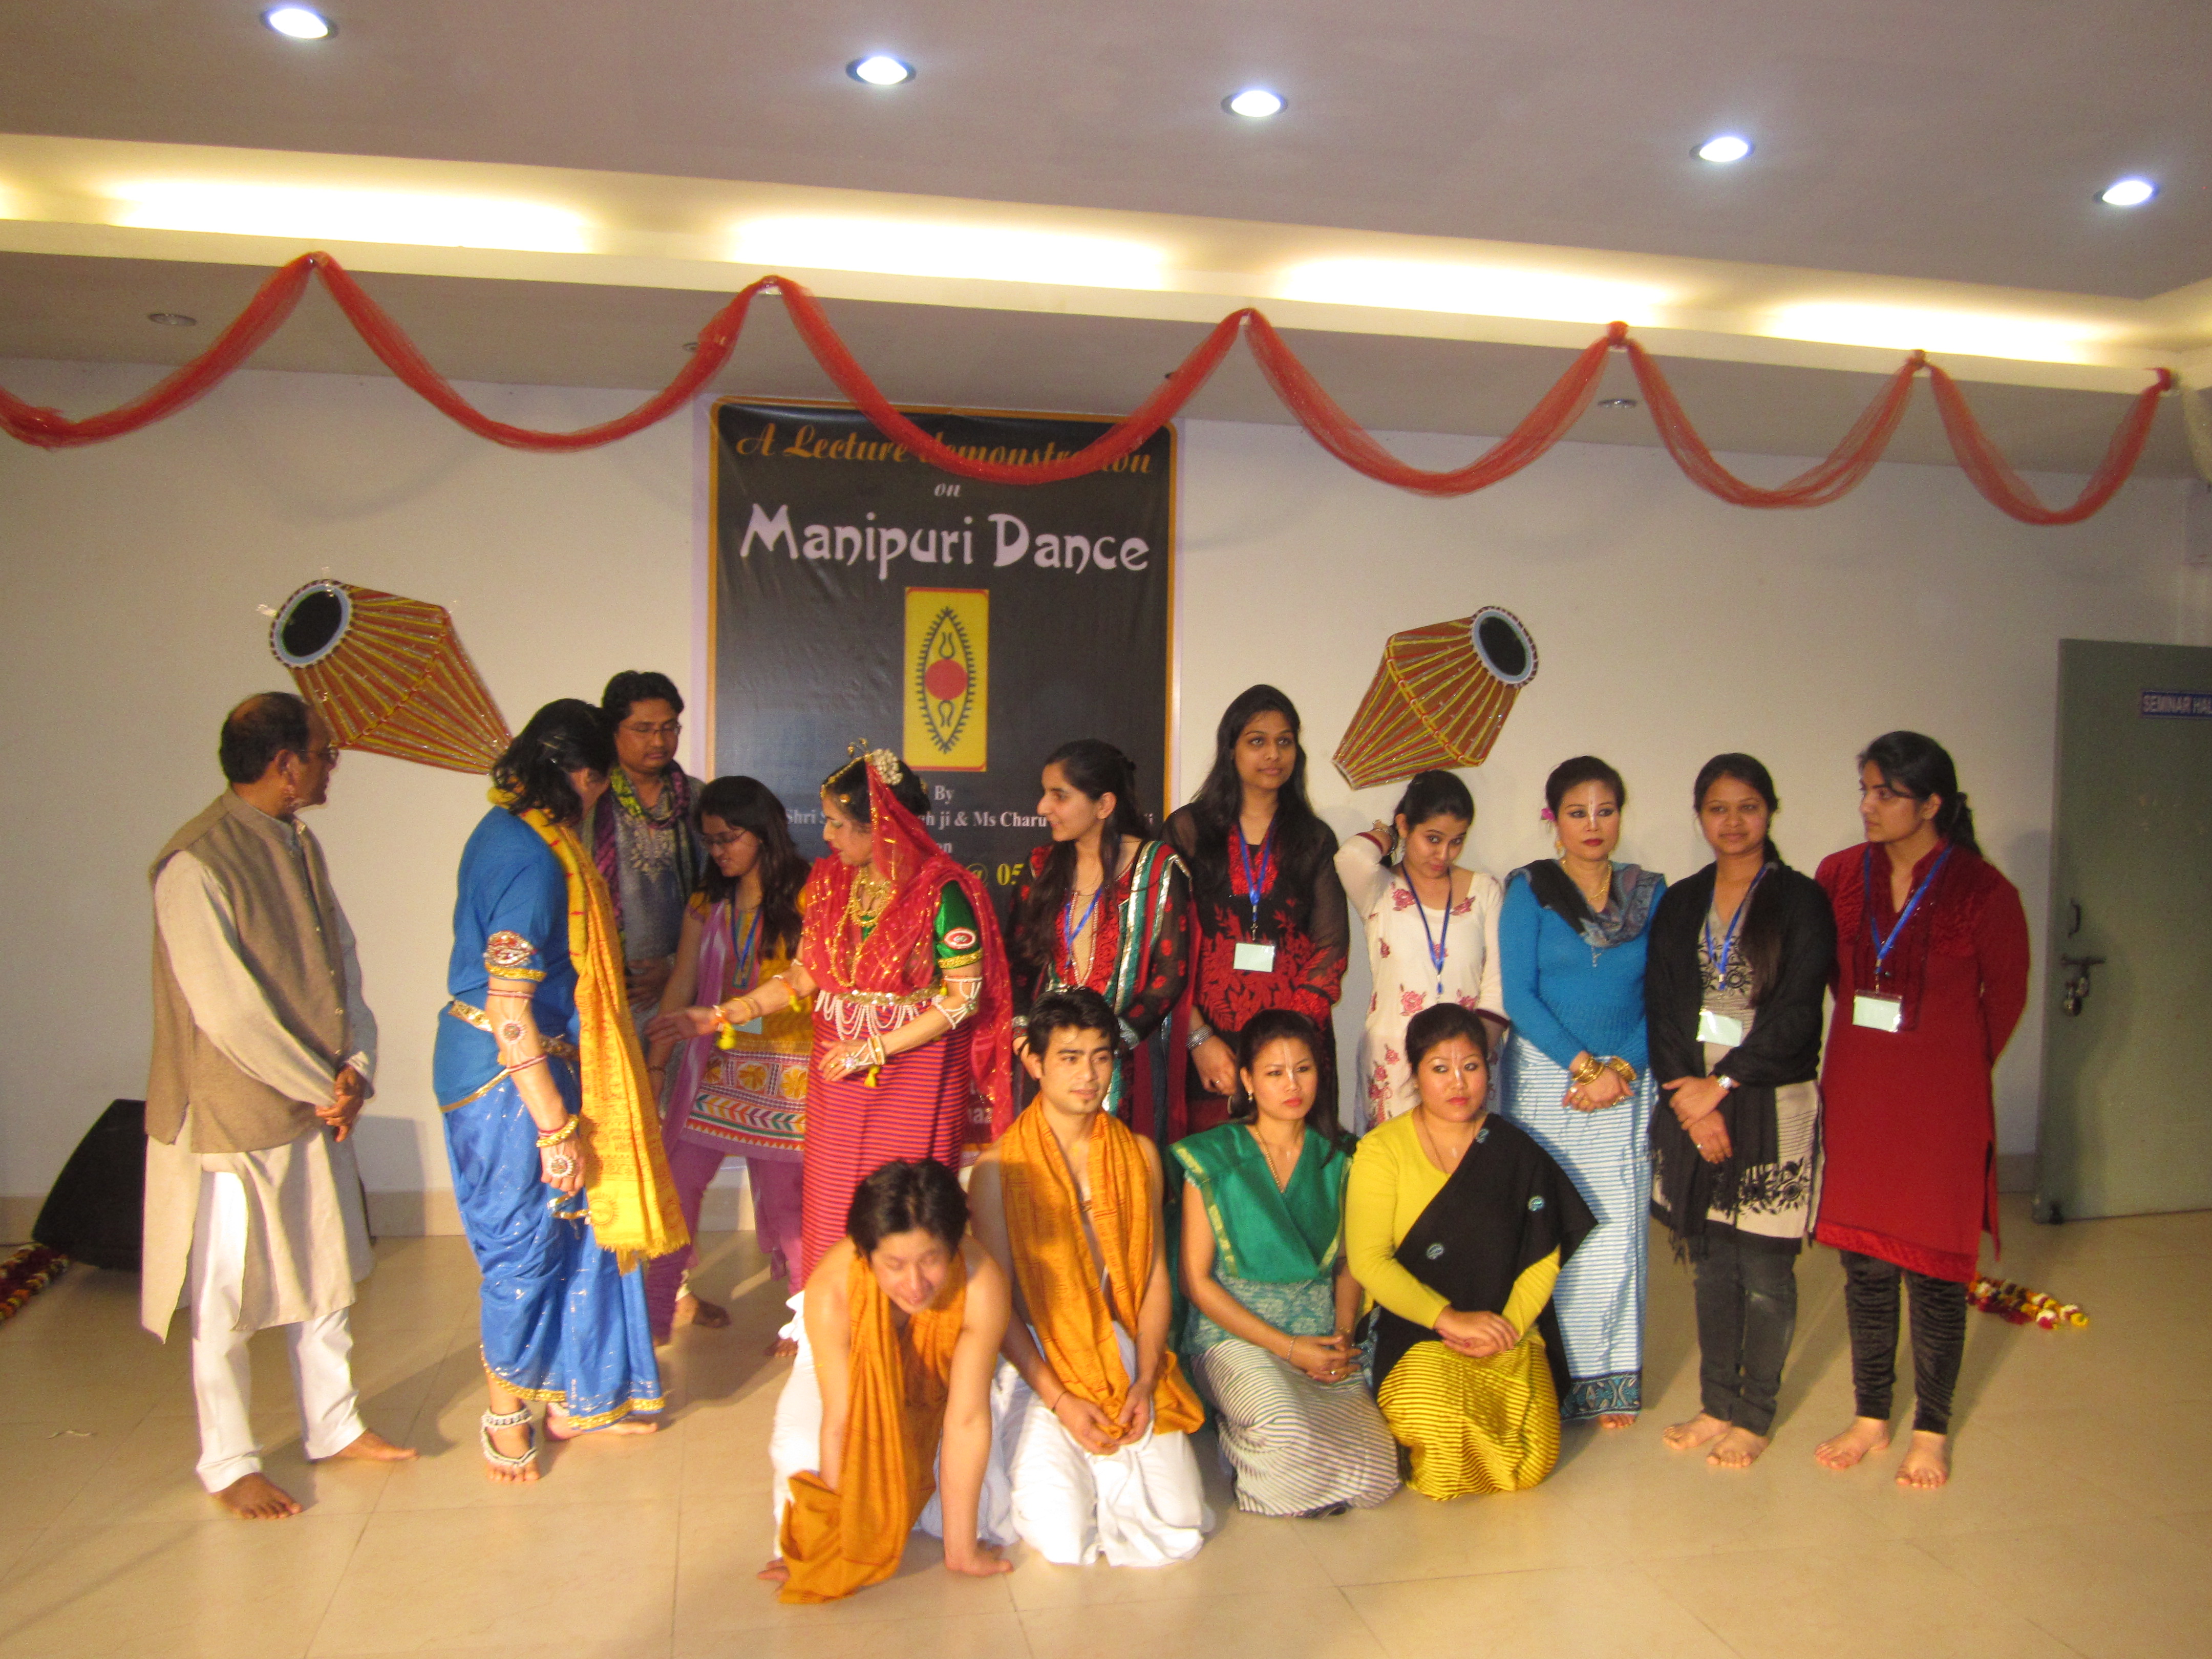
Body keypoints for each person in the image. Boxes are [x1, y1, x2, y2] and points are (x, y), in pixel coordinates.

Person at [142, 692, 416, 1518]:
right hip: (234, 1115)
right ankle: (228, 1462)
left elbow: (341, 963)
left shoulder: (296, 840)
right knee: (225, 1298)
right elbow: (226, 1014)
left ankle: (333, 1425)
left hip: (314, 1102)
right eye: (326, 752)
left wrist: (356, 1064)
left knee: (327, 1273)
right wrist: (322, 1086)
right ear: (286, 764)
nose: (334, 765)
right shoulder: (194, 863)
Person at [436, 698, 686, 1481]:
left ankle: (571, 1398)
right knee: (523, 1245)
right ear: (582, 777)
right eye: (600, 783)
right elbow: (510, 1008)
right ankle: (503, 1414)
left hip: (536, 1061)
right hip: (505, 1076)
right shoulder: (535, 860)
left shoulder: (513, 830)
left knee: (577, 1231)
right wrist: (554, 1129)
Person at [654, 747, 1013, 1284]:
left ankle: (908, 1317)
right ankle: (833, 1318)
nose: (826, 835)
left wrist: (875, 1049)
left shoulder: (943, 892)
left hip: (913, 1073)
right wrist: (726, 1013)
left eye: (838, 823)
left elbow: (962, 1000)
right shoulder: (832, 884)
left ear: (883, 827)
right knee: (834, 1202)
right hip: (837, 1071)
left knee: (904, 1205)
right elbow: (804, 976)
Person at [1811, 732, 2029, 1490]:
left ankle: (1931, 1429)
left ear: (1932, 804)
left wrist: (1948, 1064)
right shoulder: (1839, 875)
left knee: (1936, 1273)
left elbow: (2006, 999)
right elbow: (1834, 977)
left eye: (1886, 793)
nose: (1868, 806)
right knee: (1866, 1267)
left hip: (1942, 1106)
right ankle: (1871, 1414)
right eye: (1865, 790)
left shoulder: (1984, 892)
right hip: (1860, 1093)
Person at [969, 989, 1213, 1566]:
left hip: (1121, 1349)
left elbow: (1154, 1279)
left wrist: (1145, 1380)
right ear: (1035, 1063)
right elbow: (997, 1309)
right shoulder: (997, 1170)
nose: (1088, 1075)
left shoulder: (1140, 1156)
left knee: (1180, 1518)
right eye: (1070, 1058)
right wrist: (1061, 1401)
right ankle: (1068, 1460)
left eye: (1101, 1057)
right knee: (1060, 1537)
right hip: (1036, 1363)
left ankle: (1106, 1461)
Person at [1645, 755, 1837, 1469]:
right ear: (1700, 815)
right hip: (1694, 1102)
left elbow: (1798, 1015)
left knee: (1765, 1271)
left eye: (1748, 807)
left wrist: (1721, 1086)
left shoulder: (1801, 900)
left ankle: (1755, 1416)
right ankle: (1715, 1403)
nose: (1733, 822)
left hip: (1770, 1100)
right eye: (1718, 808)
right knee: (1711, 1266)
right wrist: (1691, 1098)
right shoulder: (1683, 900)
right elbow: (1663, 1007)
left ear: (1770, 811)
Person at [1346, 1003, 1594, 1498]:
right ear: (1415, 1074)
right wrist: (1449, 1319)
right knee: (1444, 1449)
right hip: (1417, 1329)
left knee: (1533, 1459)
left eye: (1471, 1066)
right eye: (1440, 1069)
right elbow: (1369, 1261)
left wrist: (1511, 1326)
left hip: (1503, 1327)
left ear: (1488, 1068)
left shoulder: (1514, 1151)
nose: (1458, 1083)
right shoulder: (1382, 1150)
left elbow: (1544, 1253)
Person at [1174, 1009, 1399, 1517]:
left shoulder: (1342, 1156)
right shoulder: (1213, 1156)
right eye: (1274, 1073)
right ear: (1249, 1081)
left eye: (1303, 1069)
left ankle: (1276, 1446)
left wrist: (1342, 1337)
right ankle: (1246, 1440)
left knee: (1380, 1473)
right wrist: (1288, 1348)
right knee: (1284, 1425)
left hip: (1320, 1336)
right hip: (1233, 1335)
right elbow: (1195, 1282)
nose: (1292, 1085)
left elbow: (1349, 1263)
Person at [1498, 755, 1664, 1428]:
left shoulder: (1650, 895)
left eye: (1605, 810)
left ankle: (1610, 1378)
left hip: (1627, 1080)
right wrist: (1585, 1068)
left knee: (1618, 1230)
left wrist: (1621, 1068)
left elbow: (1665, 995)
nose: (1593, 825)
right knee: (1550, 1231)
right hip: (1549, 1080)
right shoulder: (1529, 890)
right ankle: (1552, 1376)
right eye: (1577, 812)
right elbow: (1519, 996)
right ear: (1554, 820)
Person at [763, 1159, 1014, 1602]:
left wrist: (962, 1551)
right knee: (800, 1452)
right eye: (894, 1264)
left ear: (953, 1246)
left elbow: (967, 1419)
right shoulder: (833, 1288)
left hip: (936, 1375)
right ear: (866, 1253)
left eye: (930, 1260)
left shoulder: (981, 1282)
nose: (914, 1284)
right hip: (845, 1356)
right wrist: (837, 1539)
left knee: (990, 1509)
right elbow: (841, 1421)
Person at [642, 777, 810, 1346]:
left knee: (789, 1204)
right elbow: (682, 983)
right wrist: (658, 1064)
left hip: (789, 1076)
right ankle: (655, 1314)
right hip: (713, 1071)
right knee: (677, 1184)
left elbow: (810, 985)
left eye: (728, 838)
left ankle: (808, 1329)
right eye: (710, 841)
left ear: (763, 832)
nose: (718, 851)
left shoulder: (811, 896)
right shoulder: (707, 901)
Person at [1164, 686, 1348, 1137]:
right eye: (1257, 741)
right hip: (1209, 1045)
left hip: (1295, 1044)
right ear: (1231, 749)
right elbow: (1166, 945)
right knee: (1214, 1170)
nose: (1273, 755)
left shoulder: (1313, 838)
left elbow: (1331, 946)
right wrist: (1199, 1040)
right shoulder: (1190, 830)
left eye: (1285, 741)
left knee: (1291, 1166)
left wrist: (1290, 1042)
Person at [1007, 739, 1190, 1137]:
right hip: (1047, 1063)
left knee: (1124, 1168)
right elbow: (1017, 966)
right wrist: (1025, 1039)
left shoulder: (1157, 867)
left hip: (1127, 1063)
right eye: (1045, 794)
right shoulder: (1041, 866)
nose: (1042, 807)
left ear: (1104, 805)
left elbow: (1169, 976)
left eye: (1059, 796)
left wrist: (1108, 1046)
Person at [1336, 769, 1507, 1131]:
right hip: (1395, 1060)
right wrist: (1387, 832)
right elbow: (1350, 856)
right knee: (1395, 1161)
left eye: (1457, 841)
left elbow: (1497, 987)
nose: (1443, 854)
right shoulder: (1379, 887)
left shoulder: (1485, 891)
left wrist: (1470, 1061)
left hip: (1467, 1065)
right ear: (1405, 825)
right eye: (1433, 839)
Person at [594, 670, 705, 1024]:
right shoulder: (591, 797)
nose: (659, 741)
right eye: (643, 729)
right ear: (613, 731)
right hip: (600, 985)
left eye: (669, 728)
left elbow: (720, 897)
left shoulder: (697, 798)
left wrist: (675, 967)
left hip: (681, 983)